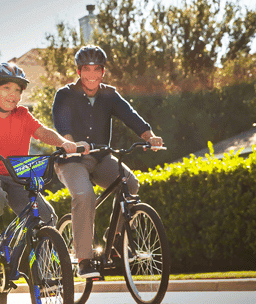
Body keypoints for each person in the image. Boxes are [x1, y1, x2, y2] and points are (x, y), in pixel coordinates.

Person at [51, 45, 164, 278]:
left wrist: (150, 137)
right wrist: (71, 143)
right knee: (84, 195)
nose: (91, 75)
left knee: (130, 184)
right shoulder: (65, 94)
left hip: (101, 158)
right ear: (79, 71)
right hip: (71, 160)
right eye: (87, 69)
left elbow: (131, 116)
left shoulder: (109, 95)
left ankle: (115, 242)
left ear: (103, 72)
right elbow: (62, 125)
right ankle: (84, 259)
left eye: (96, 69)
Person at [0, 62, 81, 265]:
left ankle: (44, 273)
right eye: (7, 88)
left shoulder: (22, 115)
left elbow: (43, 132)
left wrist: (63, 142)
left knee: (46, 216)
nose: (14, 94)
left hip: (16, 174)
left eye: (17, 90)